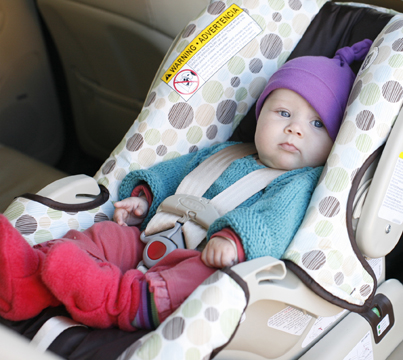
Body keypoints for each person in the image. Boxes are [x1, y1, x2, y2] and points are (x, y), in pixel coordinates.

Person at [0, 39, 372, 332]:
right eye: (284, 113)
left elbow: (275, 223)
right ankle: (29, 278)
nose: (295, 129)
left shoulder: (299, 183)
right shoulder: (229, 152)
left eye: (317, 124)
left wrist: (233, 241)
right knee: (104, 236)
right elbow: (173, 172)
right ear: (260, 117)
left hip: (205, 256)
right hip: (150, 234)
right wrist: (143, 197)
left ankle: (118, 299)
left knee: (198, 280)